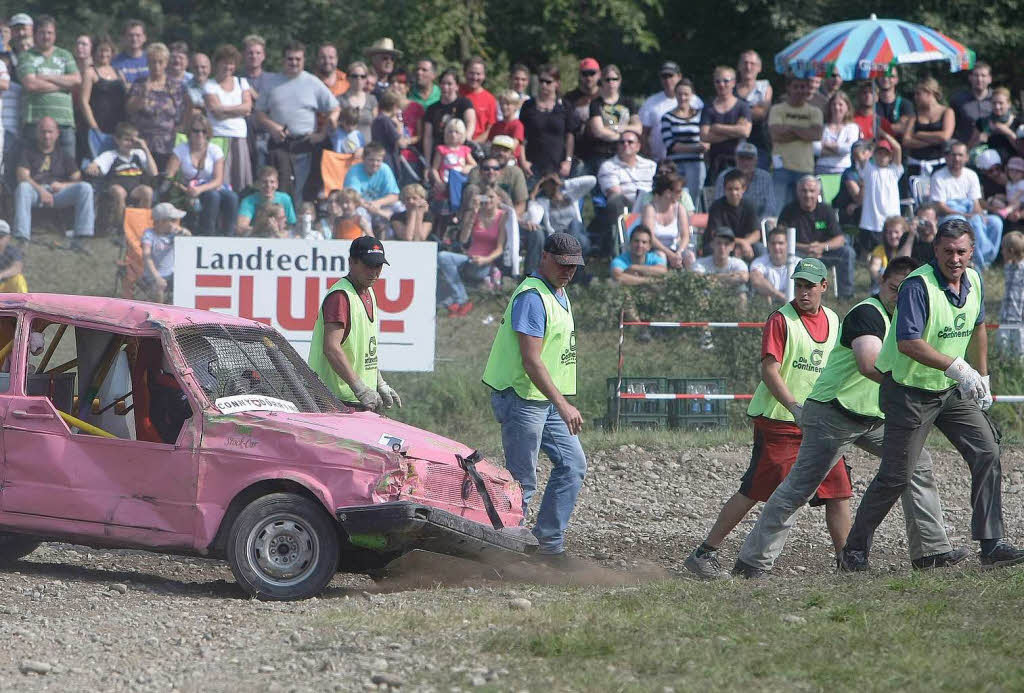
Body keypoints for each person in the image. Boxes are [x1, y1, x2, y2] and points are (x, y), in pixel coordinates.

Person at [734, 256, 970, 578]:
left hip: (871, 417)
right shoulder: (867, 314)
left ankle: (930, 552)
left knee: (918, 464)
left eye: (907, 290)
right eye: (893, 288)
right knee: (798, 489)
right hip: (833, 413)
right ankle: (752, 564)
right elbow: (868, 363)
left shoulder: (911, 319)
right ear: (882, 283)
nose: (899, 295)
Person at [839, 219, 1024, 572]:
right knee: (895, 475)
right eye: (948, 251)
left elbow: (979, 325)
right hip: (909, 391)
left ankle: (991, 543)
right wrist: (959, 368)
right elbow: (909, 342)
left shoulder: (974, 280)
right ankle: (854, 550)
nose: (955, 258)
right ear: (936, 250)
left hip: (948, 389)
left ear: (972, 252)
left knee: (987, 449)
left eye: (961, 251)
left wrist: (981, 375)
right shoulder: (917, 285)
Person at [684, 258, 850, 579]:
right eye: (799, 285)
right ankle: (704, 553)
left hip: (820, 423)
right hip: (779, 422)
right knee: (755, 490)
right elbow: (769, 370)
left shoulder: (833, 319)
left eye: (809, 286)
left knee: (838, 489)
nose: (803, 292)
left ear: (824, 287)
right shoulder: (780, 320)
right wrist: (793, 407)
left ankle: (847, 560)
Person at [481, 232, 587, 560]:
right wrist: (563, 403)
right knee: (522, 480)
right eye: (562, 264)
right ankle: (502, 555)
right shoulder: (532, 296)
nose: (568, 271)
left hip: (545, 400)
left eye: (574, 266)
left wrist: (559, 402)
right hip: (522, 398)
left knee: (573, 465)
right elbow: (531, 360)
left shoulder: (557, 292)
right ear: (544, 257)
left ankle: (548, 546)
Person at [308, 236, 401, 412]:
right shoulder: (340, 296)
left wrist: (378, 382)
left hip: (356, 401)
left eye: (378, 266)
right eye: (368, 265)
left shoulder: (369, 293)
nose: (374, 272)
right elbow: (331, 348)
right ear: (352, 262)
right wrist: (360, 388)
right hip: (333, 402)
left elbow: (364, 351)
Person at [255, 42, 339, 209]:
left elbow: (335, 108)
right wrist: (272, 127)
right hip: (280, 143)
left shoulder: (312, 82)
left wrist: (322, 134)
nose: (294, 62)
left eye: (298, 59)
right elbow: (259, 113)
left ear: (304, 60)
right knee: (281, 188)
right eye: (290, 59)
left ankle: (303, 226)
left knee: (306, 189)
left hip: (306, 143)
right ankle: (282, 223)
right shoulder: (271, 82)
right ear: (283, 60)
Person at [14, 116, 95, 247]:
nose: (46, 136)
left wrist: (63, 185)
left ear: (57, 134)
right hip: (35, 194)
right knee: (23, 187)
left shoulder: (64, 155)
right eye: (43, 131)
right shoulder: (28, 152)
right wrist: (40, 190)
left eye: (50, 132)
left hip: (58, 194)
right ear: (37, 133)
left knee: (85, 188)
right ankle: (22, 237)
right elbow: (21, 176)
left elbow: (78, 179)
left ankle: (82, 236)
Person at [778, 175, 855, 298]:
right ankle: (791, 296)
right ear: (798, 192)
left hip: (823, 253)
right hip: (798, 254)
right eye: (804, 191)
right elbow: (780, 238)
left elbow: (840, 239)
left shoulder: (826, 210)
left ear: (818, 192)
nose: (808, 195)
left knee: (847, 252)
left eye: (811, 191)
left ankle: (845, 296)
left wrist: (822, 247)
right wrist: (805, 248)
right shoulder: (788, 211)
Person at [929, 140, 1003, 269]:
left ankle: (986, 260)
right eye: (953, 155)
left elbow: (975, 203)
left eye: (960, 155)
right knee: (964, 221)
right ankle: (976, 261)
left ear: (966, 157)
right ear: (947, 157)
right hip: (949, 215)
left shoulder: (971, 175)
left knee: (995, 222)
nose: (956, 158)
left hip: (969, 212)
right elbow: (940, 207)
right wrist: (965, 214)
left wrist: (979, 215)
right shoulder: (938, 176)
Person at [17, 15, 80, 162]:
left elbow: (76, 81)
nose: (46, 36)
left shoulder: (65, 55)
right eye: (42, 32)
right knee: (34, 169)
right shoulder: (26, 56)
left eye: (50, 33)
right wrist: (62, 84)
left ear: (55, 35)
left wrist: (45, 77)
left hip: (64, 123)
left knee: (68, 167)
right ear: (35, 34)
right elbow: (30, 84)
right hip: (35, 123)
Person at [437, 186, 508, 314]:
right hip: (469, 258)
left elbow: (500, 248)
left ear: (499, 199)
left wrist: (486, 259)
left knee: (471, 267)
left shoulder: (503, 217)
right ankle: (461, 297)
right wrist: (473, 213)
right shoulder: (477, 214)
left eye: (491, 197)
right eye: (485, 197)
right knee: (442, 256)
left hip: (486, 262)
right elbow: (463, 239)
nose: (487, 201)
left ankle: (456, 298)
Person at [164, 114, 238, 236]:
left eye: (204, 131)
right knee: (213, 196)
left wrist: (199, 189)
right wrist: (185, 189)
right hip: (186, 188)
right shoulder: (180, 150)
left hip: (209, 186)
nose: (200, 135)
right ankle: (207, 234)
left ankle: (229, 235)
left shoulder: (215, 150)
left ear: (208, 133)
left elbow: (218, 180)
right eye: (196, 131)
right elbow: (169, 176)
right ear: (189, 132)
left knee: (232, 197)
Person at [84, 121, 157, 235]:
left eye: (133, 140)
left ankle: (139, 225)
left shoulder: (138, 154)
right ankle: (121, 227)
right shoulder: (111, 155)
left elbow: (153, 173)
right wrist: (92, 167)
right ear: (117, 140)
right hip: (116, 186)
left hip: (135, 188)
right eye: (126, 140)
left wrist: (146, 149)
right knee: (119, 192)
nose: (130, 143)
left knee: (147, 191)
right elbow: (95, 164)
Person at [125, 42, 186, 169]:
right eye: (153, 62)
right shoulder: (139, 84)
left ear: (166, 63)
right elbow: (129, 109)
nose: (156, 66)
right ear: (147, 63)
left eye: (160, 62)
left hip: (168, 143)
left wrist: (180, 128)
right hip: (143, 142)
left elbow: (184, 111)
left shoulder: (175, 86)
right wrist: (143, 95)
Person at [204, 44, 254, 193]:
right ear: (217, 63)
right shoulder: (210, 85)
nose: (228, 66)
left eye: (231, 63)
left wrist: (223, 108)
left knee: (241, 179)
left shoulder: (242, 82)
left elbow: (248, 108)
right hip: (218, 137)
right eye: (224, 62)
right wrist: (238, 110)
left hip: (239, 136)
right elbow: (215, 112)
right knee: (221, 178)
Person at [769, 76, 823, 213]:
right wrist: (804, 132)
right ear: (788, 88)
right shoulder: (777, 109)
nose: (800, 90)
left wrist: (790, 128)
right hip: (781, 168)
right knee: (777, 210)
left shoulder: (815, 112)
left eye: (803, 87)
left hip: (805, 168)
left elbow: (816, 135)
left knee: (806, 210)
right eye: (796, 86)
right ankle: (776, 234)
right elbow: (775, 135)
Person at [596, 131, 655, 250]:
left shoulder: (651, 165)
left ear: (638, 146)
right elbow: (614, 191)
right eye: (622, 142)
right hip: (627, 205)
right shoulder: (608, 166)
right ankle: (624, 248)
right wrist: (639, 203)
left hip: (653, 203)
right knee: (615, 199)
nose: (625, 144)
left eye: (630, 142)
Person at [519, 64, 576, 180]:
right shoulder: (528, 105)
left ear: (557, 84)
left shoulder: (565, 106)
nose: (544, 85)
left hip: (558, 165)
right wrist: (523, 161)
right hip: (532, 165)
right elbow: (521, 137)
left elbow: (570, 136)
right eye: (541, 81)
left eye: (548, 82)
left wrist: (568, 161)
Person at [583, 64, 640, 175]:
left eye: (615, 79)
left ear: (620, 81)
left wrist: (617, 128)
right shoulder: (596, 104)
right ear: (602, 81)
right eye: (607, 79)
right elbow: (598, 131)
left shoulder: (628, 102)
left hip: (626, 154)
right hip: (603, 154)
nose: (611, 83)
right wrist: (625, 135)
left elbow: (638, 128)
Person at [699, 65, 751, 181]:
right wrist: (734, 131)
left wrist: (717, 127)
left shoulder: (742, 106)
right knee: (713, 197)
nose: (721, 84)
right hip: (715, 164)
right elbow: (704, 136)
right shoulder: (708, 107)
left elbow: (745, 131)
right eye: (718, 81)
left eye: (726, 81)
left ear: (733, 82)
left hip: (739, 162)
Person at [78, 36, 128, 155]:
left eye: (107, 50)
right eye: (101, 50)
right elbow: (83, 101)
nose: (104, 54)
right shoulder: (90, 72)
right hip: (97, 125)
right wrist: (94, 127)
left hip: (117, 127)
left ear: (112, 52)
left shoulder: (119, 73)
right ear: (94, 52)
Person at [857, 133, 904, 255]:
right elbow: (859, 153)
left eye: (885, 153)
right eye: (879, 153)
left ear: (890, 156)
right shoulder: (868, 170)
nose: (882, 156)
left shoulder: (894, 171)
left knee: (891, 253)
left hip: (890, 220)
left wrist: (885, 135)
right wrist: (871, 142)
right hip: (871, 220)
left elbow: (898, 148)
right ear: (874, 154)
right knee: (867, 254)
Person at [660, 78, 706, 201]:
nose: (682, 97)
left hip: (696, 165)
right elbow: (671, 145)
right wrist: (697, 148)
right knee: (674, 198)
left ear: (692, 95)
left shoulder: (701, 115)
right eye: (679, 94)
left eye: (686, 94)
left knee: (694, 200)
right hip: (675, 166)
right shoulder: (667, 117)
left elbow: (707, 137)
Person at [530, 172, 594, 256]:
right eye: (546, 185)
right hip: (559, 236)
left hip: (576, 230)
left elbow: (592, 180)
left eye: (552, 183)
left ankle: (570, 255)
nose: (550, 187)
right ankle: (573, 259)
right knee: (581, 242)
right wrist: (533, 194)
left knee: (575, 224)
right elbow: (533, 218)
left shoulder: (571, 195)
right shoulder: (543, 202)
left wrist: (565, 183)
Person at [344, 141, 400, 234]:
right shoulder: (354, 171)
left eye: (378, 161)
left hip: (379, 205)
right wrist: (376, 210)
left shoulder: (385, 169)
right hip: (362, 207)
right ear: (363, 159)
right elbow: (352, 198)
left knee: (399, 208)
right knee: (360, 212)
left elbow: (394, 196)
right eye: (371, 160)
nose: (375, 164)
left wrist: (378, 203)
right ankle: (368, 240)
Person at [903, 77, 955, 177]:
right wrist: (933, 141)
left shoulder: (947, 112)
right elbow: (906, 140)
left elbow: (945, 136)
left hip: (939, 164)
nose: (915, 97)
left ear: (929, 93)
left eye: (918, 94)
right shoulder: (915, 115)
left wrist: (919, 134)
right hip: (916, 164)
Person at [639, 60, 689, 161]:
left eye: (670, 76)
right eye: (664, 76)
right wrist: (648, 157)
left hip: (689, 160)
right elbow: (643, 134)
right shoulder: (651, 102)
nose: (667, 80)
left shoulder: (694, 100)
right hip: (659, 161)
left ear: (679, 76)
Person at [421, 68, 474, 163]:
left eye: (449, 84)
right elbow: (428, 137)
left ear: (457, 86)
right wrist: (427, 162)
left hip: (460, 154)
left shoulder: (464, 103)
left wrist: (466, 139)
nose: (445, 87)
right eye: (443, 83)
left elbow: (471, 122)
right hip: (438, 157)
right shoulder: (432, 109)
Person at [641, 170, 692, 268]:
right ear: (667, 192)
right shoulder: (650, 209)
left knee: (690, 256)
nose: (681, 194)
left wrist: (679, 252)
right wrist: (669, 254)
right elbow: (650, 237)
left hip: (675, 249)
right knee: (661, 256)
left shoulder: (680, 208)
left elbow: (685, 236)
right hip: (654, 249)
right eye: (678, 191)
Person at [141, 202, 191, 304]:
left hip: (172, 274)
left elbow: (189, 238)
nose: (176, 223)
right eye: (172, 220)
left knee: (187, 283)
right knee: (159, 286)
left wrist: (184, 232)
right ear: (161, 222)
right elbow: (146, 256)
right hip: (152, 275)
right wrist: (157, 277)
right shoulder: (149, 234)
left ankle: (181, 311)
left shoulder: (174, 234)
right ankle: (160, 314)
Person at [706, 168, 760, 260]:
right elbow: (715, 234)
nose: (733, 192)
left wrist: (746, 243)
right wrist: (741, 243)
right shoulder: (716, 207)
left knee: (760, 249)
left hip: (744, 245)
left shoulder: (749, 205)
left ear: (744, 189)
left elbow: (756, 233)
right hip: (722, 243)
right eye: (729, 189)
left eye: (737, 189)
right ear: (724, 189)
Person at [712, 142, 775, 219]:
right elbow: (718, 206)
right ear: (735, 158)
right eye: (742, 158)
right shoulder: (724, 176)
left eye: (749, 158)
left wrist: (758, 224)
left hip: (758, 221)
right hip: (729, 220)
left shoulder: (765, 177)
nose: (745, 162)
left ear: (756, 160)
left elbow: (770, 207)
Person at [734, 50, 773, 171]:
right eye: (745, 63)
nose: (748, 67)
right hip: (732, 146)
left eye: (752, 63)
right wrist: (751, 109)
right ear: (739, 66)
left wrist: (736, 113)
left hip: (759, 145)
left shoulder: (765, 87)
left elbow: (761, 113)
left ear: (759, 68)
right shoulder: (729, 88)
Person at [692, 227, 749, 302]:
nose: (722, 247)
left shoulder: (737, 263)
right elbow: (697, 278)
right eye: (718, 243)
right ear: (712, 244)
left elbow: (744, 277)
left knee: (741, 288)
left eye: (726, 244)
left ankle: (742, 314)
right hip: (708, 298)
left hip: (730, 298)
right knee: (700, 289)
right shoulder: (700, 263)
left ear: (732, 247)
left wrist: (712, 278)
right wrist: (730, 277)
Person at [236, 165, 297, 235]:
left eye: (272, 182)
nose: (268, 185)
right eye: (264, 182)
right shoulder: (248, 201)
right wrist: (262, 228)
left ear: (277, 184)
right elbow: (240, 228)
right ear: (258, 184)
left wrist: (278, 232)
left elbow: (291, 226)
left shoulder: (285, 199)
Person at [969, 87, 1022, 164]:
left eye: (1001, 103)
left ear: (1008, 104)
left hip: (1013, 167)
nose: (997, 107)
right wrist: (979, 142)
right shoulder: (982, 123)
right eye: (994, 103)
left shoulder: (1018, 122)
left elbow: (1021, 150)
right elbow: (970, 147)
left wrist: (1008, 133)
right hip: (990, 168)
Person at [815, 92, 859, 175]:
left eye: (840, 104)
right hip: (822, 168)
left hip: (843, 169)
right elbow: (815, 149)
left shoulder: (852, 127)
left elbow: (849, 148)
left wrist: (826, 144)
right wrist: (839, 150)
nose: (836, 107)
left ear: (847, 107)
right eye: (834, 104)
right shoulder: (822, 127)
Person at [950, 62, 992, 146]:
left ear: (990, 79)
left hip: (994, 147)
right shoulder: (958, 100)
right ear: (970, 78)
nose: (979, 79)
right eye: (976, 75)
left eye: (983, 76)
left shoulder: (997, 100)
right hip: (965, 148)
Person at [996, 231, 1024, 355]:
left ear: (1011, 251)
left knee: (1019, 347)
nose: (1001, 252)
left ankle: (1017, 367)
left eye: (1003, 249)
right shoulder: (1008, 267)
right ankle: (1003, 361)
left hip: (1019, 316)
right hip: (1005, 314)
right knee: (1002, 344)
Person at [833, 139, 872, 227]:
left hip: (866, 206)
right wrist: (864, 184)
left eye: (862, 152)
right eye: (855, 154)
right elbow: (858, 199)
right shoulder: (850, 173)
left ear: (869, 153)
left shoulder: (874, 171)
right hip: (848, 211)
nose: (858, 157)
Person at [338, 61, 377, 145]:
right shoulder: (339, 100)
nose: (359, 79)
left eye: (363, 76)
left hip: (367, 151)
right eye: (355, 76)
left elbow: (376, 126)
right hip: (345, 149)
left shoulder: (372, 100)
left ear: (366, 79)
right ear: (347, 78)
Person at [460, 56, 497, 143]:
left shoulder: (490, 99)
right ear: (465, 73)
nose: (475, 77)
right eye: (471, 73)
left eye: (478, 74)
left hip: (478, 145)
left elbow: (490, 129)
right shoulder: (457, 92)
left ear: (484, 76)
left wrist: (473, 144)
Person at [749, 226, 790, 304]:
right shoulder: (759, 262)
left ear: (787, 245)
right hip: (769, 306)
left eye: (780, 243)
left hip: (793, 307)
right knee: (762, 294)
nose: (776, 247)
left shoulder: (798, 263)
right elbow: (756, 281)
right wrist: (781, 297)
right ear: (768, 245)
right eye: (773, 243)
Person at [868, 216, 909, 290]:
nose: (893, 236)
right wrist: (881, 278)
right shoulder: (880, 249)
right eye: (889, 233)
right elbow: (874, 268)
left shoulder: (910, 249)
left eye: (896, 232)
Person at [875, 67, 914, 140]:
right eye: (882, 75)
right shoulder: (873, 105)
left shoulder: (905, 104)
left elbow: (905, 129)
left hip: (901, 149)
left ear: (897, 80)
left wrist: (879, 129)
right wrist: (894, 127)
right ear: (878, 78)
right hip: (878, 149)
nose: (886, 79)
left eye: (891, 76)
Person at [0, 220, 28, 292]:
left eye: (1, 236)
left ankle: (22, 302)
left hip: (5, 285)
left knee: (19, 280)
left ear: (8, 238)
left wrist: (1, 275)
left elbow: (17, 268)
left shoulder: (13, 251)